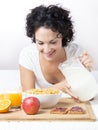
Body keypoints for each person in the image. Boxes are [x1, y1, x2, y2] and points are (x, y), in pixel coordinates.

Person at [19, 4, 93, 100]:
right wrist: (58, 88)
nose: (46, 50)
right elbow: (28, 98)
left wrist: (86, 71)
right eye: (40, 43)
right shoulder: (28, 56)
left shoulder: (75, 53)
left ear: (63, 36)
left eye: (53, 42)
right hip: (44, 111)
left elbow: (89, 96)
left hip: (73, 107)